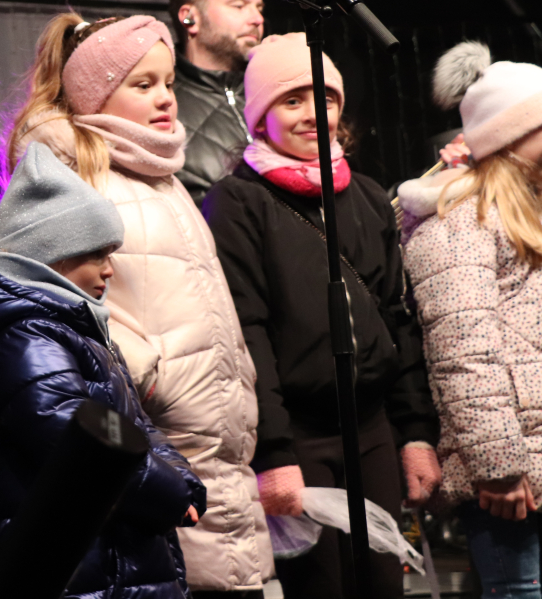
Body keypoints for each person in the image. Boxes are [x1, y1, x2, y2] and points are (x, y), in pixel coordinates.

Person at [5, 13, 273, 597]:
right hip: (157, 428)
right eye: (142, 84)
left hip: (215, 431)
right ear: (95, 92)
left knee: (229, 571)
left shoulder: (164, 177)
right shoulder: (76, 170)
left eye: (169, 82)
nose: (165, 98)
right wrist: (146, 374)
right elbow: (57, 299)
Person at [203, 33, 441, 599]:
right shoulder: (237, 202)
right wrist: (275, 454)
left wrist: (415, 433)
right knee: (322, 588)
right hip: (299, 435)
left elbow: (397, 318)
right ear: (260, 116)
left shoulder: (365, 195)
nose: (313, 113)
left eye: (325, 99)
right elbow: (245, 334)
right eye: (292, 100)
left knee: (383, 586)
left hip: (372, 429)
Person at [0, 143, 206, 599]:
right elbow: (76, 438)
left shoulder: (71, 326)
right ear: (56, 254)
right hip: (73, 565)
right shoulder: (28, 336)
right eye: (98, 255)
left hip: (108, 555)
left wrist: (182, 480)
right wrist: (169, 492)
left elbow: (135, 425)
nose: (110, 271)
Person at [399, 41, 542, 599]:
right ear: (512, 135)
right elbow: (464, 353)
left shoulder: (528, 214)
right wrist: (499, 466)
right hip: (513, 478)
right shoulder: (459, 221)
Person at [169, 0, 267, 206]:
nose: (257, 19)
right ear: (190, 17)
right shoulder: (161, 103)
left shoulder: (272, 93)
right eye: (239, 5)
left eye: (259, 8)